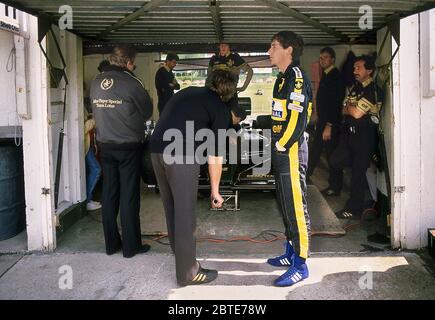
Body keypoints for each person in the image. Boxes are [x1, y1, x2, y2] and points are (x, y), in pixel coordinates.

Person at [150, 70, 236, 286]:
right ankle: (189, 272)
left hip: (155, 150)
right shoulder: (220, 109)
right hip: (181, 154)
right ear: (229, 93)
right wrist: (215, 191)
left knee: (171, 207)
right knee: (185, 212)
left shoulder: (188, 92)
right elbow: (215, 156)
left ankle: (180, 254)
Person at [90, 45, 153, 258]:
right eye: (133, 62)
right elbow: (147, 112)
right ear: (127, 62)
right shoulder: (132, 82)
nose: (133, 66)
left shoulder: (97, 81)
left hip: (105, 145)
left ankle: (111, 245)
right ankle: (131, 247)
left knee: (109, 194)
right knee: (129, 196)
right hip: (128, 146)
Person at [266, 31, 313, 287]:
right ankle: (290, 252)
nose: (269, 51)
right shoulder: (281, 79)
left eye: (274, 46)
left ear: (290, 49)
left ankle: (301, 264)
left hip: (291, 150)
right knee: (285, 205)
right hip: (281, 149)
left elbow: (297, 118)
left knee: (296, 207)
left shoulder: (296, 76)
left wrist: (282, 145)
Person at [330, 55, 381, 220]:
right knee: (336, 160)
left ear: (369, 70)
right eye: (354, 68)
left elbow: (356, 113)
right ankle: (359, 200)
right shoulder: (356, 88)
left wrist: (349, 107)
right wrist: (349, 108)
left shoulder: (373, 90)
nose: (355, 71)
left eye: (358, 68)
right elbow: (343, 108)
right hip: (351, 136)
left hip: (365, 137)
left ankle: (354, 209)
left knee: (357, 176)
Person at [307, 47, 345, 196]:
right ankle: (304, 176)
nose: (323, 60)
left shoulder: (336, 76)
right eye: (321, 58)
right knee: (315, 151)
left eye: (326, 58)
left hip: (331, 123)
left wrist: (329, 125)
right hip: (322, 121)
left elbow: (335, 103)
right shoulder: (326, 75)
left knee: (332, 156)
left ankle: (335, 187)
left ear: (333, 60)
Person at [206, 41, 253, 111]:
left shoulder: (235, 58)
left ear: (229, 47)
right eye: (221, 45)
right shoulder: (214, 58)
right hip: (215, 93)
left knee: (231, 115)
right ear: (219, 46)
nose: (223, 47)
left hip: (230, 93)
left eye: (225, 45)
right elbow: (209, 75)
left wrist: (244, 87)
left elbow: (250, 71)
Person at [84, 111, 102, 211]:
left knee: (94, 170)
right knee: (96, 169)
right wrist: (94, 120)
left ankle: (89, 199)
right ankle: (87, 200)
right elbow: (82, 128)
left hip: (86, 144)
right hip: (83, 144)